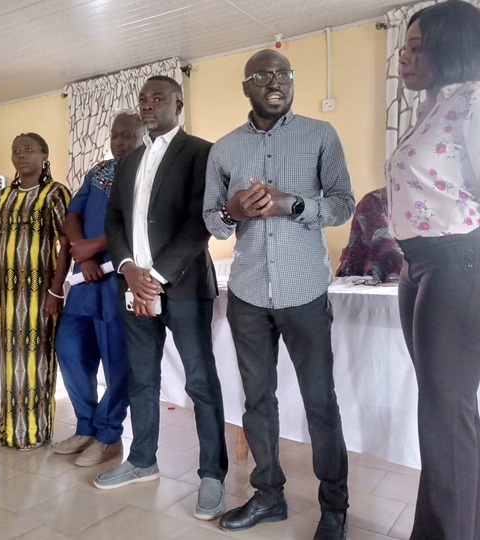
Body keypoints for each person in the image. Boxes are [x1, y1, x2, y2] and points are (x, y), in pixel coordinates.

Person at [387, 2, 480, 538]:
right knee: (445, 415)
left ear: (451, 48)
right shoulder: (430, 110)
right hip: (420, 266)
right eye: (404, 47)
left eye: (416, 46)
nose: (404, 57)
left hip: (461, 262)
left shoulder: (478, 101)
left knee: (445, 416)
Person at [204, 49, 354, 539]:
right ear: (246, 87)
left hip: (304, 290)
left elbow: (343, 205)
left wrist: (294, 204)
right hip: (248, 292)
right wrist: (232, 212)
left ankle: (335, 508)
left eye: (284, 73)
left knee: (320, 402)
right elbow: (212, 221)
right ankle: (268, 497)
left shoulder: (320, 135)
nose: (276, 81)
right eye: (263, 75)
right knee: (257, 402)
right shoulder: (225, 149)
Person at [98, 75, 229, 521]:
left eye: (158, 98)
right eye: (143, 99)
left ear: (179, 105)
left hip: (184, 287)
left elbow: (200, 221)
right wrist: (128, 269)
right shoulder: (129, 160)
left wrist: (154, 276)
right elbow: (115, 221)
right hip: (133, 288)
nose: (148, 105)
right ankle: (142, 460)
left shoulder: (202, 153)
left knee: (200, 382)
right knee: (142, 378)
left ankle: (212, 474)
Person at [50, 111, 144, 466]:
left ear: (143, 136)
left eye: (128, 135)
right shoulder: (99, 171)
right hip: (84, 280)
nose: (120, 142)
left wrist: (96, 247)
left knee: (118, 363)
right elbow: (72, 214)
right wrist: (82, 250)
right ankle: (86, 426)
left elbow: (145, 225)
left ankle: (108, 435)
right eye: (116, 135)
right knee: (70, 350)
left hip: (119, 280)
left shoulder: (148, 172)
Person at [0, 132, 72, 451]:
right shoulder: (4, 196)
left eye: (28, 149)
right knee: (9, 363)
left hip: (40, 294)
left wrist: (56, 291)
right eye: (16, 150)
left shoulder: (55, 193)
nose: (20, 155)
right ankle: (9, 429)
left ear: (44, 155)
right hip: (7, 294)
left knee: (36, 360)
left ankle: (35, 431)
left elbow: (66, 243)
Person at [336, 187, 403, 283]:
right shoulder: (373, 201)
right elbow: (385, 243)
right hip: (364, 277)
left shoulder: (419, 203)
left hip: (400, 277)